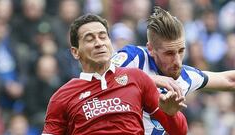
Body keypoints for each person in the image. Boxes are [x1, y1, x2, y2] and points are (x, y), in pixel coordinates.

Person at [42, 14, 188, 135]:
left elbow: (180, 131)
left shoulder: (137, 78)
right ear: (75, 52)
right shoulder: (62, 97)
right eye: (90, 39)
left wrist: (170, 114)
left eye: (103, 36)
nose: (99, 43)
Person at [111, 6, 235, 135]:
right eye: (169, 53)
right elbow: (101, 77)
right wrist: (149, 80)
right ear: (151, 49)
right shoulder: (134, 57)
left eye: (181, 51)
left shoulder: (186, 77)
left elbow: (229, 80)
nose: (177, 61)